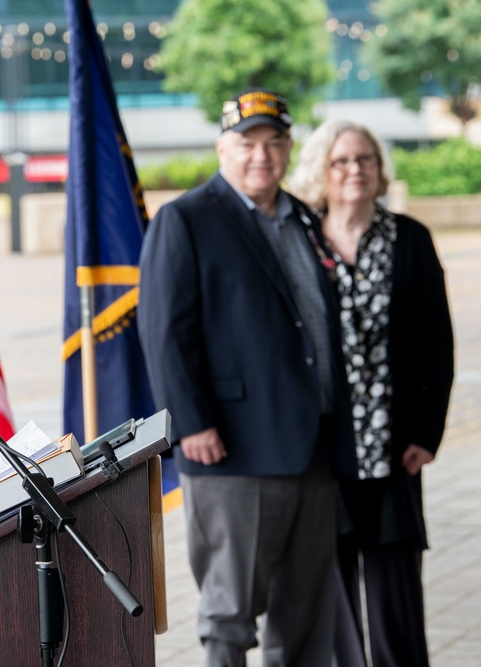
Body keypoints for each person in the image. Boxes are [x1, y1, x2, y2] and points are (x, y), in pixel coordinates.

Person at [137, 89, 351, 666]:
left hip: (311, 447)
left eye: (273, 142)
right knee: (230, 618)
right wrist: (191, 423)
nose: (261, 155)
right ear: (221, 149)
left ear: (288, 149)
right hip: (232, 450)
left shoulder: (303, 218)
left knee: (307, 619)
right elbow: (163, 332)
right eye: (246, 144)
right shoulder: (186, 220)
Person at [286, 120, 454, 667]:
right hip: (322, 451)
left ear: (379, 170)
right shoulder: (300, 241)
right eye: (341, 161)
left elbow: (438, 344)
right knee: (330, 598)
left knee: (396, 597)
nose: (354, 170)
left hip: (393, 448)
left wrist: (427, 434)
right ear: (321, 172)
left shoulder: (410, 239)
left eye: (365, 160)